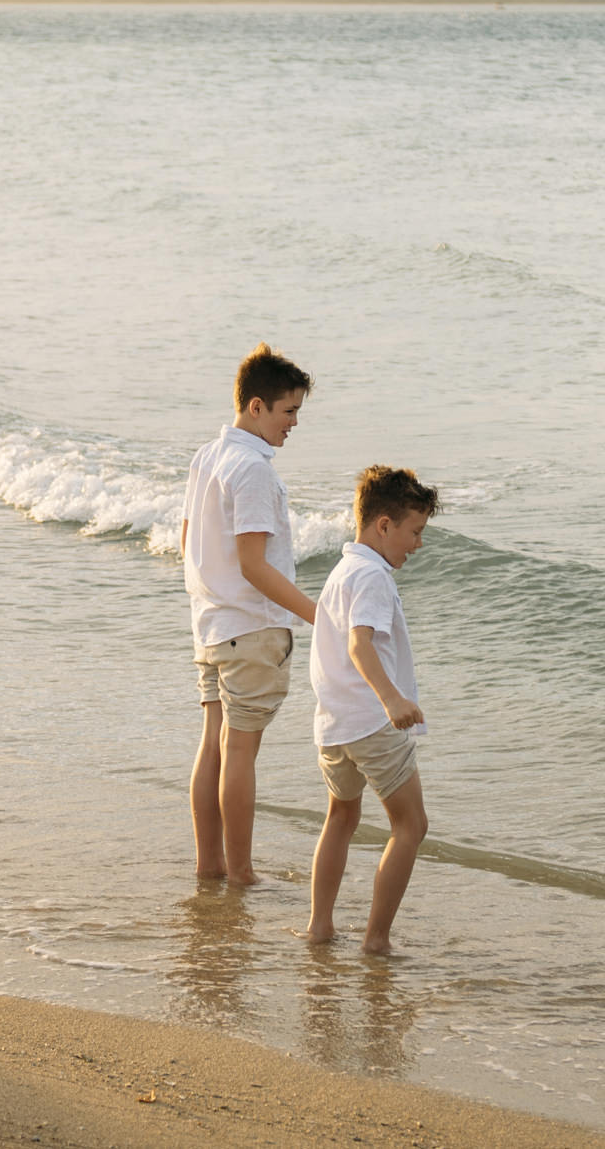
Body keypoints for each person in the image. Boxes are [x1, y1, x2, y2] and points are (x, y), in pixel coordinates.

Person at [181, 344, 317, 886]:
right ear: (256, 407)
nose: (294, 424)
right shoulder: (253, 469)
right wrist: (319, 612)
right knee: (239, 752)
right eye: (289, 412)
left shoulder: (206, 457)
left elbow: (189, 541)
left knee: (212, 742)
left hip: (211, 626)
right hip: (251, 627)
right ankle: (240, 873)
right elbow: (255, 565)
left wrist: (207, 601)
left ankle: (210, 864)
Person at [303, 464, 438, 954]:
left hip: (333, 726)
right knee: (412, 826)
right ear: (384, 525)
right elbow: (360, 645)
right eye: (415, 532)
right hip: (370, 723)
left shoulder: (342, 571)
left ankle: (320, 927)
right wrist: (393, 699)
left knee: (341, 816)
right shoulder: (373, 577)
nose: (418, 544)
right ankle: (376, 940)